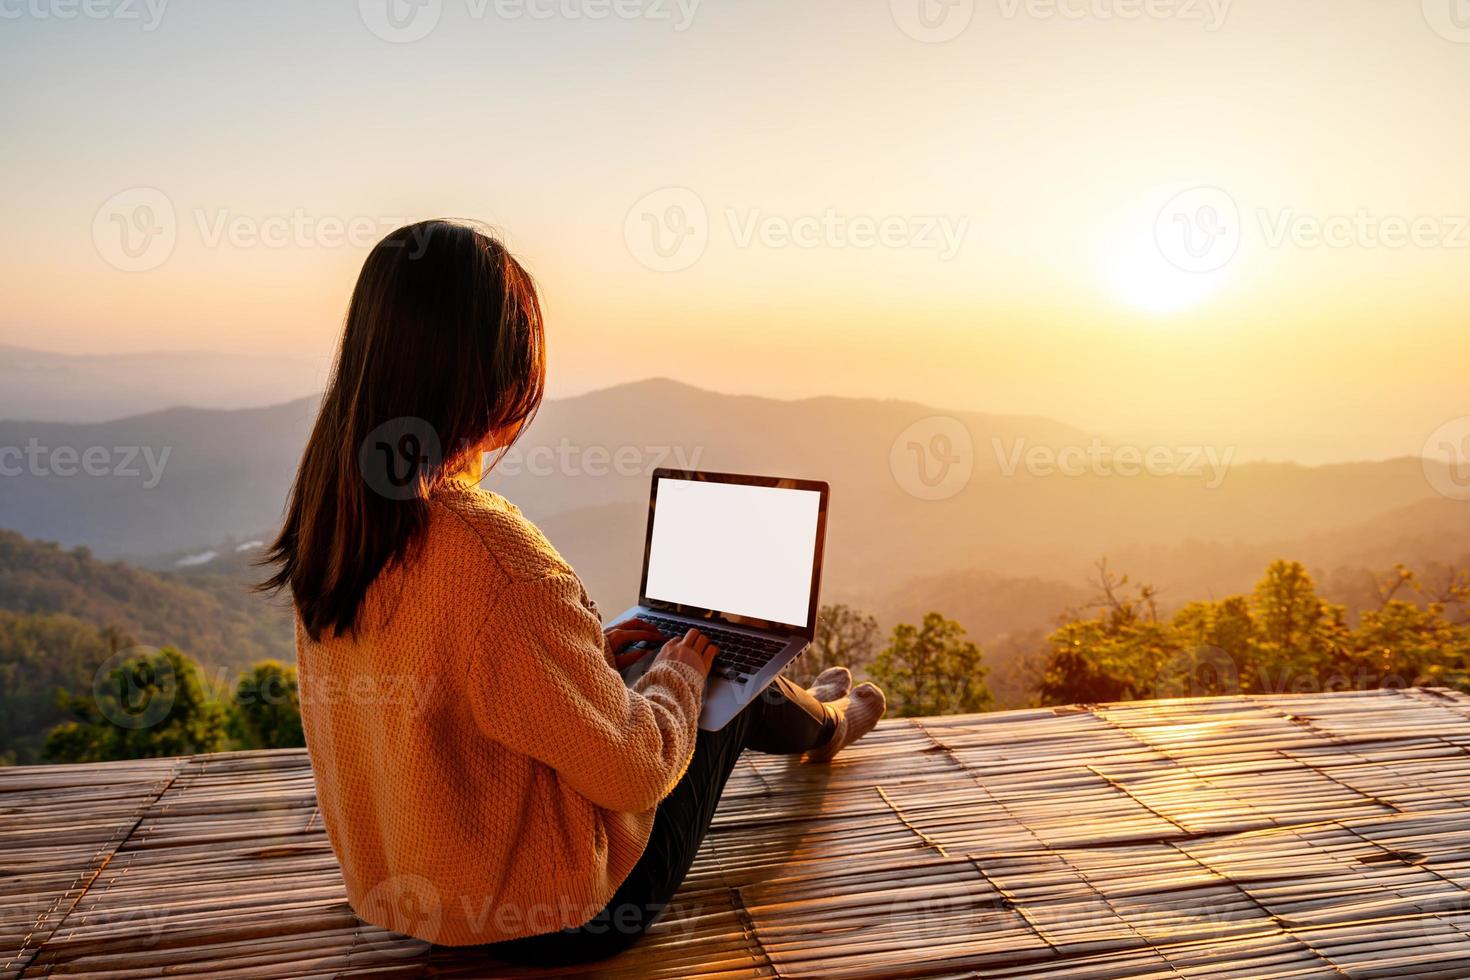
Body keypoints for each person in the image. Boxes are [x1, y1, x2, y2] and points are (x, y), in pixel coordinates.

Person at [261, 219, 886, 965]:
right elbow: (634, 769)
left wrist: (588, 656)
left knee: (668, 662)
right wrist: (680, 675)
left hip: (400, 892)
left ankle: (817, 717)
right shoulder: (494, 557)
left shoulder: (335, 523)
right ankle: (827, 726)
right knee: (711, 669)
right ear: (499, 381)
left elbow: (459, 686)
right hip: (555, 918)